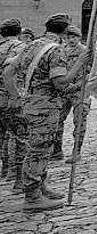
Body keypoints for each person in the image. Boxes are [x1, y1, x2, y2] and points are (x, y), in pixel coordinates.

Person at [3, 13, 88, 211]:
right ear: (65, 31)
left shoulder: (31, 45)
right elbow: (60, 82)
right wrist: (80, 62)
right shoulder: (55, 50)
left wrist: (16, 96)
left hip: (29, 104)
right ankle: (32, 197)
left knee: (39, 148)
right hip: (45, 107)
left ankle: (40, 186)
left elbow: (8, 72)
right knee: (39, 150)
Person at [52, 25, 87, 162]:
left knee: (79, 121)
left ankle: (76, 151)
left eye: (74, 37)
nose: (71, 40)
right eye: (68, 37)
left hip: (80, 90)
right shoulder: (61, 51)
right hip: (64, 91)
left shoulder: (85, 51)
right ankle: (56, 150)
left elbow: (91, 71)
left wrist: (79, 84)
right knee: (57, 121)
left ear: (79, 37)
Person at [0, 18, 26, 188]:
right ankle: (18, 178)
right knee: (20, 138)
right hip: (13, 98)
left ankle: (5, 170)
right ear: (19, 32)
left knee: (2, 136)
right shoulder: (21, 48)